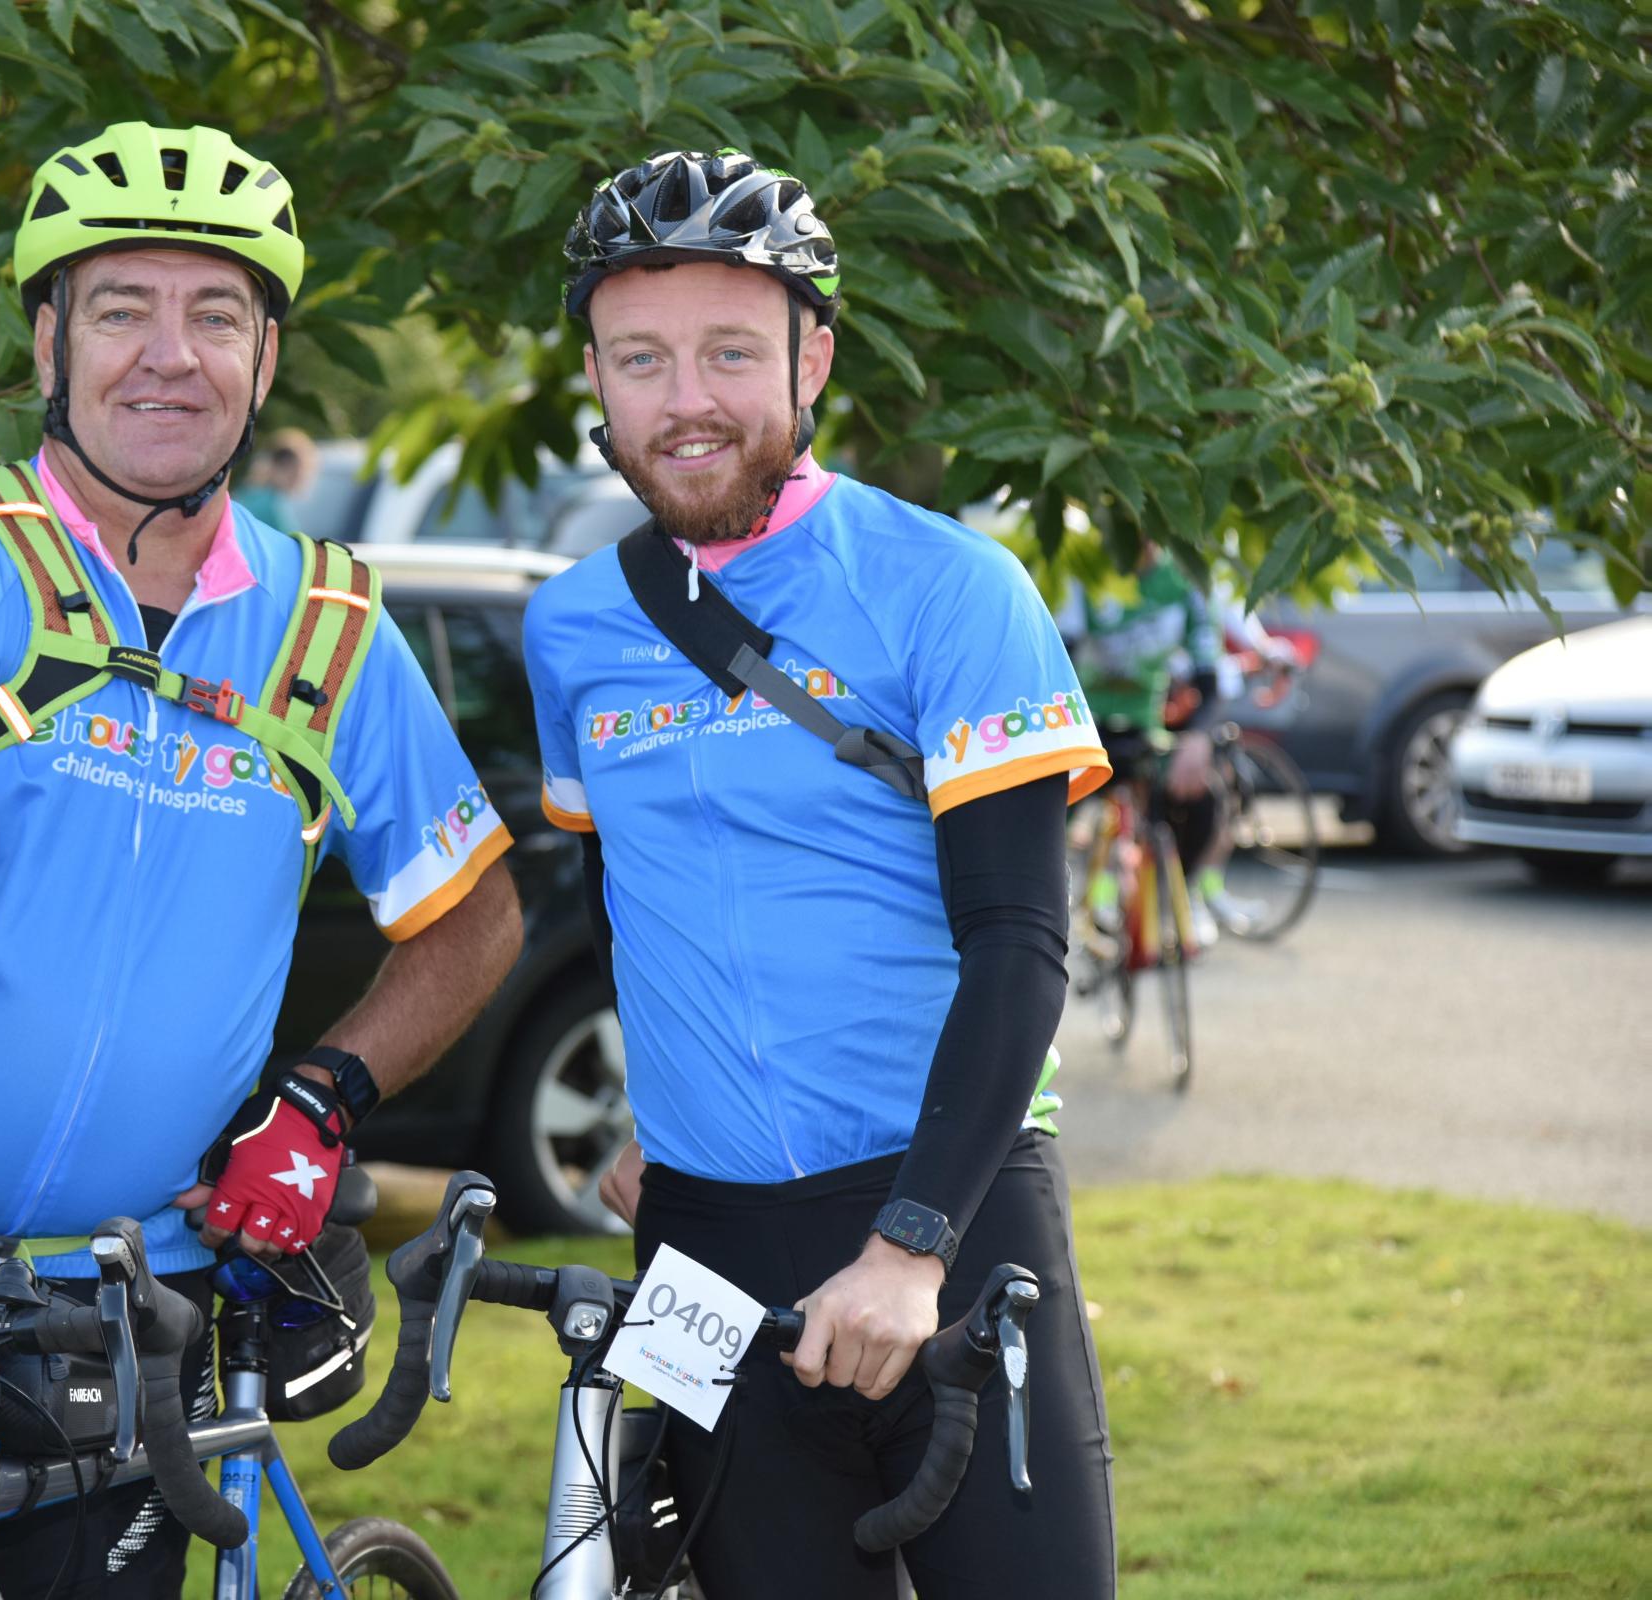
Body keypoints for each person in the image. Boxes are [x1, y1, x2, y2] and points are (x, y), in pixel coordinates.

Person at [0, 122, 522, 1600]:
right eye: (122, 309)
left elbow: (474, 920)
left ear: (264, 360)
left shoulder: (332, 631)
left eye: (217, 316)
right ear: (50, 339)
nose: (168, 357)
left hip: (128, 1302)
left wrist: (321, 1101)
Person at [523, 148, 1118, 1598]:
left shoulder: (948, 587)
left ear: (816, 356)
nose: (688, 400)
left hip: (957, 1230)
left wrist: (911, 1249)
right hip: (711, 1246)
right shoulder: (572, 629)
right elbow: (636, 892)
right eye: (641, 358)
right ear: (595, 380)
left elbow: (1022, 939)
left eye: (733, 350)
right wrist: (666, 1105)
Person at [1058, 547, 1229, 944]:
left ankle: (1180, 895)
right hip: (1086, 725)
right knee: (1045, 806)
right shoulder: (1083, 567)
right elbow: (1058, 657)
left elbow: (1211, 683)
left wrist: (1199, 738)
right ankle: (1066, 897)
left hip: (1147, 728)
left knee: (1206, 796)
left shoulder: (1186, 578)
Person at [232, 425, 318, 530]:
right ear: (285, 467)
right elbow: (291, 542)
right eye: (300, 471)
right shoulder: (273, 506)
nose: (303, 478)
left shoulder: (246, 492)